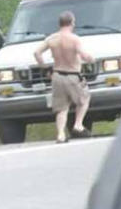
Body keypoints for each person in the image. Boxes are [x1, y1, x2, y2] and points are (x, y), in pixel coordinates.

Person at [34, 11, 94, 143]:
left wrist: (44, 69)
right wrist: (90, 59)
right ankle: (78, 124)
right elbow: (85, 56)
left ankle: (60, 134)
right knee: (84, 99)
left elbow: (37, 52)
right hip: (73, 76)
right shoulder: (74, 39)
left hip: (57, 76)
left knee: (62, 108)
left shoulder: (51, 39)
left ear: (60, 23)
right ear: (72, 22)